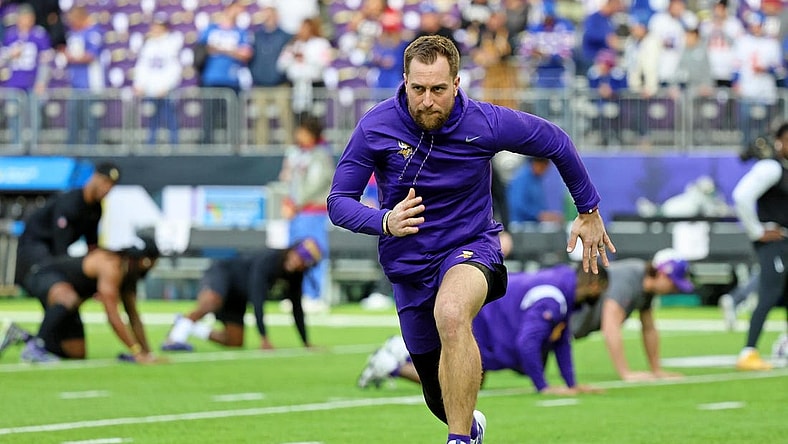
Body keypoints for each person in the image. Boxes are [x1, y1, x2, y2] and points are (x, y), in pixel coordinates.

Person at [326, 35, 614, 444]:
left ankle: (459, 441)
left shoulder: (486, 122)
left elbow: (556, 142)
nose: (428, 100)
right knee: (437, 395)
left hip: (471, 248)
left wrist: (588, 210)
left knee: (452, 312)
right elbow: (338, 202)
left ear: (457, 83)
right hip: (409, 266)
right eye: (418, 89)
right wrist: (385, 221)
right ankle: (469, 428)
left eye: (438, 89)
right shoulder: (376, 126)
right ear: (404, 81)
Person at [358, 264, 609, 395]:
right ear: (594, 284)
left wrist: (571, 384)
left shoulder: (562, 291)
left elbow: (561, 340)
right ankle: (394, 364)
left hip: (489, 320)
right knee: (466, 383)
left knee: (472, 382)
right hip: (481, 320)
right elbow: (527, 343)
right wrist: (543, 387)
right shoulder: (553, 298)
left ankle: (398, 358)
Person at [1, 237, 162, 363]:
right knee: (69, 297)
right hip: (43, 276)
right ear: (144, 260)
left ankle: (23, 337)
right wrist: (136, 352)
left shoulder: (128, 275)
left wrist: (147, 353)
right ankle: (35, 348)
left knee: (76, 352)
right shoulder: (112, 266)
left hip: (69, 302)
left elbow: (133, 316)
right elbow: (113, 315)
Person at [160, 238, 323, 351]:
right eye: (297, 255)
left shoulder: (295, 277)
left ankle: (187, 323)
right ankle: (174, 339)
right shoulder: (269, 259)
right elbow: (257, 298)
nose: (296, 261)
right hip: (223, 274)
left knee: (234, 341)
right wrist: (264, 338)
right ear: (292, 250)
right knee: (212, 301)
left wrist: (305, 341)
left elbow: (296, 307)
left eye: (302, 260)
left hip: (238, 296)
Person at [570, 248, 692, 381]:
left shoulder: (646, 289)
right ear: (662, 274)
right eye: (673, 284)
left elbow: (649, 329)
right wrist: (626, 373)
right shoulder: (629, 279)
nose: (675, 289)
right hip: (559, 322)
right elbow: (610, 327)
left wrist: (656, 370)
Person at [731, 123, 788, 371]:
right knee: (769, 293)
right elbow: (741, 196)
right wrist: (757, 231)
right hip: (774, 242)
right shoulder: (771, 168)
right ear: (779, 141)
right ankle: (749, 351)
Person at [14, 162, 121, 295]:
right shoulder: (70, 203)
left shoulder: (95, 209)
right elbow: (60, 247)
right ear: (95, 177)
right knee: (52, 276)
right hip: (35, 242)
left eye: (111, 185)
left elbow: (92, 246)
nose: (107, 188)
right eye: (105, 182)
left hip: (54, 248)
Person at [278, 116, 335, 312]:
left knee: (313, 251)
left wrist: (297, 204)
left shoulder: (320, 154)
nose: (298, 135)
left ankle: (315, 294)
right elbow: (287, 179)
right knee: (294, 254)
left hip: (312, 211)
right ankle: (297, 294)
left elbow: (316, 184)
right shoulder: (295, 153)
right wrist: (287, 201)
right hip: (295, 212)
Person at [133, 13, 183, 145]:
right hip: (151, 89)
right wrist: (139, 84)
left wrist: (167, 86)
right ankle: (151, 146)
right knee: (152, 118)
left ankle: (174, 146)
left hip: (165, 90)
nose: (155, 29)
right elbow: (142, 66)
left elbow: (175, 68)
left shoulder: (171, 43)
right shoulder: (148, 44)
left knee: (170, 118)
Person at [506, 157, 564, 224]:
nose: (544, 171)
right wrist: (539, 215)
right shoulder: (522, 178)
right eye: (543, 168)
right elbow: (517, 204)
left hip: (533, 225)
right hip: (519, 225)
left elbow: (540, 204)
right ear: (537, 164)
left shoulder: (537, 180)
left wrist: (548, 215)